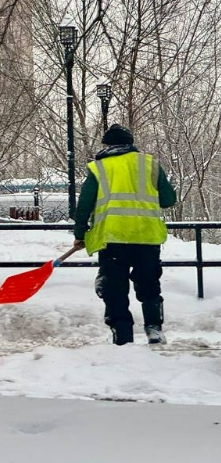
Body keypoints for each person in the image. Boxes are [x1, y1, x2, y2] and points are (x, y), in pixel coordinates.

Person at [72, 124, 177, 346]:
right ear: (130, 144)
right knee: (149, 284)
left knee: (115, 288)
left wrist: (80, 232)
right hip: (147, 237)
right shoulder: (150, 164)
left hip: (113, 239)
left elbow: (84, 205)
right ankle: (154, 329)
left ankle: (122, 335)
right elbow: (168, 200)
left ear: (107, 145)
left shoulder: (99, 168)